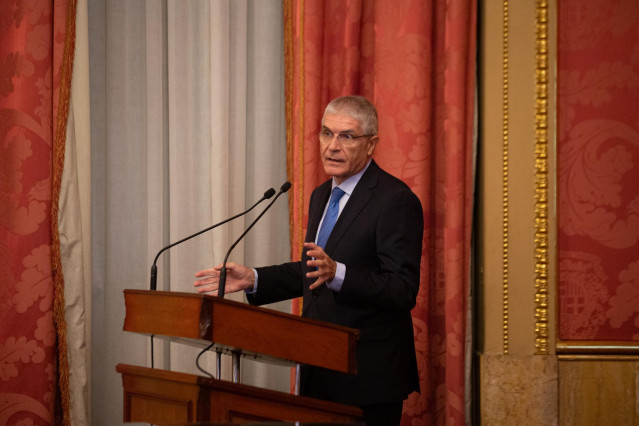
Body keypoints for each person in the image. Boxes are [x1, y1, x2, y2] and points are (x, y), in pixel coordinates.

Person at [194, 95, 423, 426]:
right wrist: (255, 279)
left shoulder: (395, 200)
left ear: (371, 144)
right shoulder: (321, 195)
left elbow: (402, 289)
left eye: (347, 136)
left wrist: (339, 273)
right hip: (318, 368)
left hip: (368, 377)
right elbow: (313, 270)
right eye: (326, 133)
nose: (332, 146)